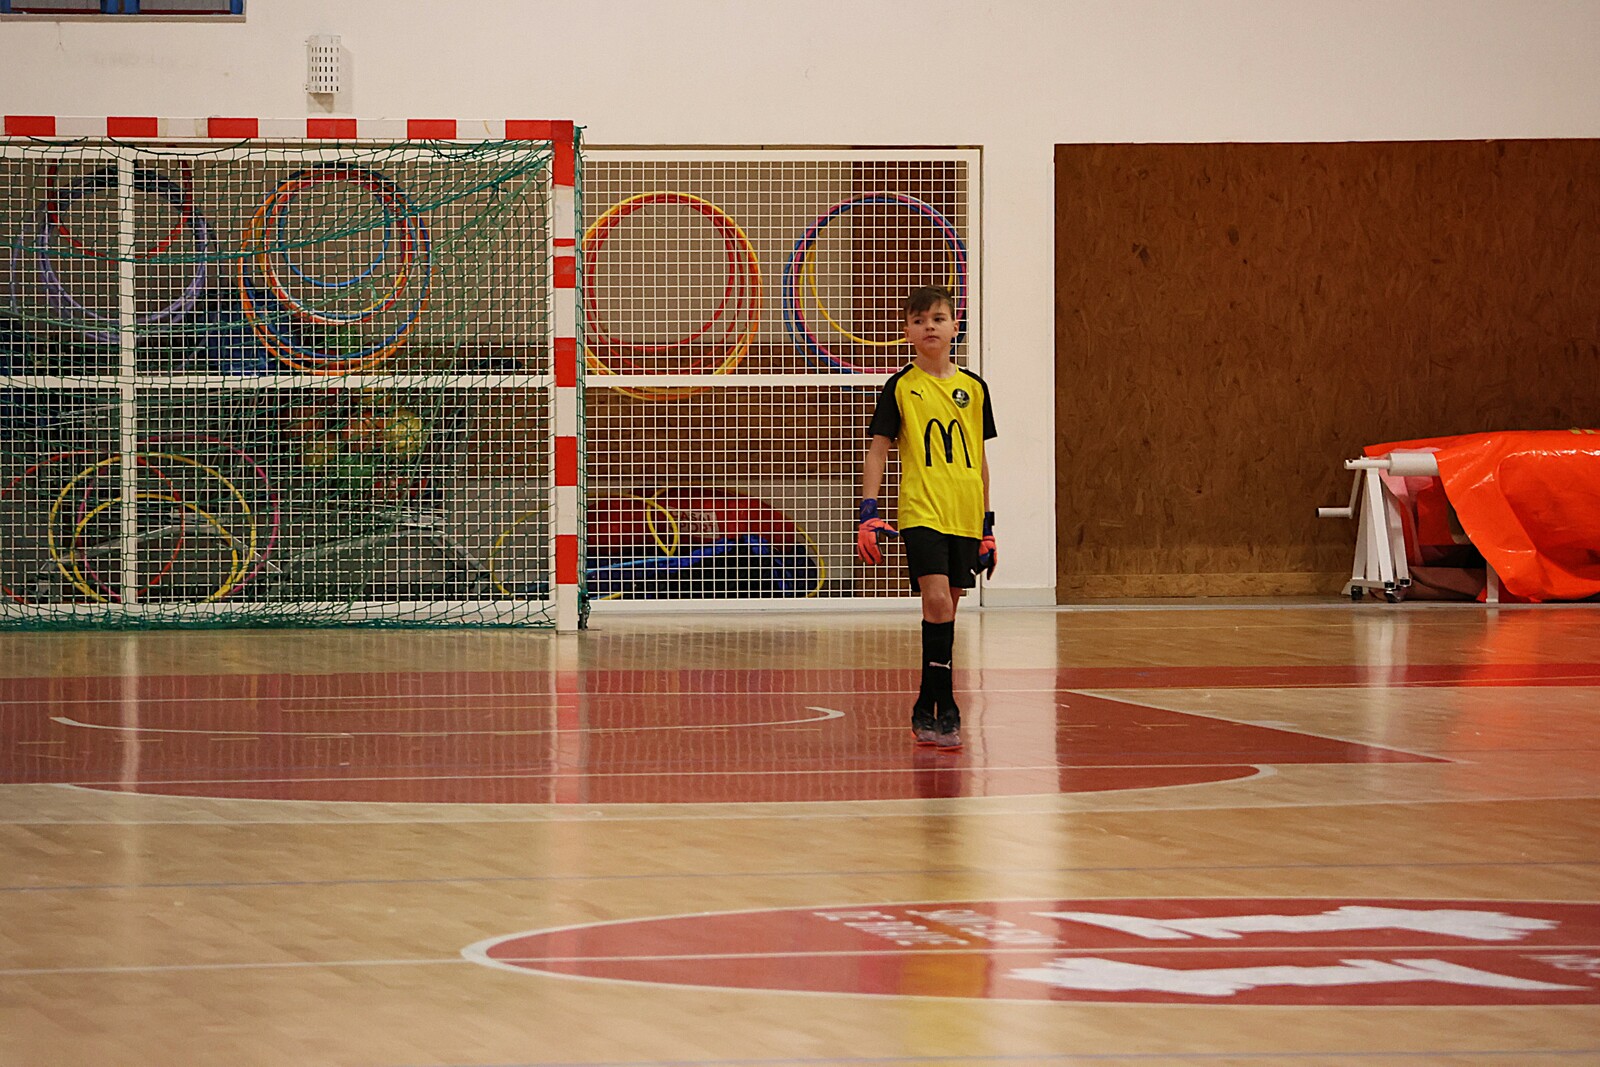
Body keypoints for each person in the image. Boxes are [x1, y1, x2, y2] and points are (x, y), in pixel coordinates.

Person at [857, 285, 997, 750]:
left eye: (937, 319)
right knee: (936, 600)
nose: (929, 327)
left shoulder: (974, 388)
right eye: (918, 321)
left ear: (954, 327)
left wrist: (987, 526)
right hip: (921, 509)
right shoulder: (900, 386)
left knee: (946, 612)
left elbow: (979, 458)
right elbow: (878, 450)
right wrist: (868, 511)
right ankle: (948, 706)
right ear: (907, 332)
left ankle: (925, 703)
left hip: (964, 512)